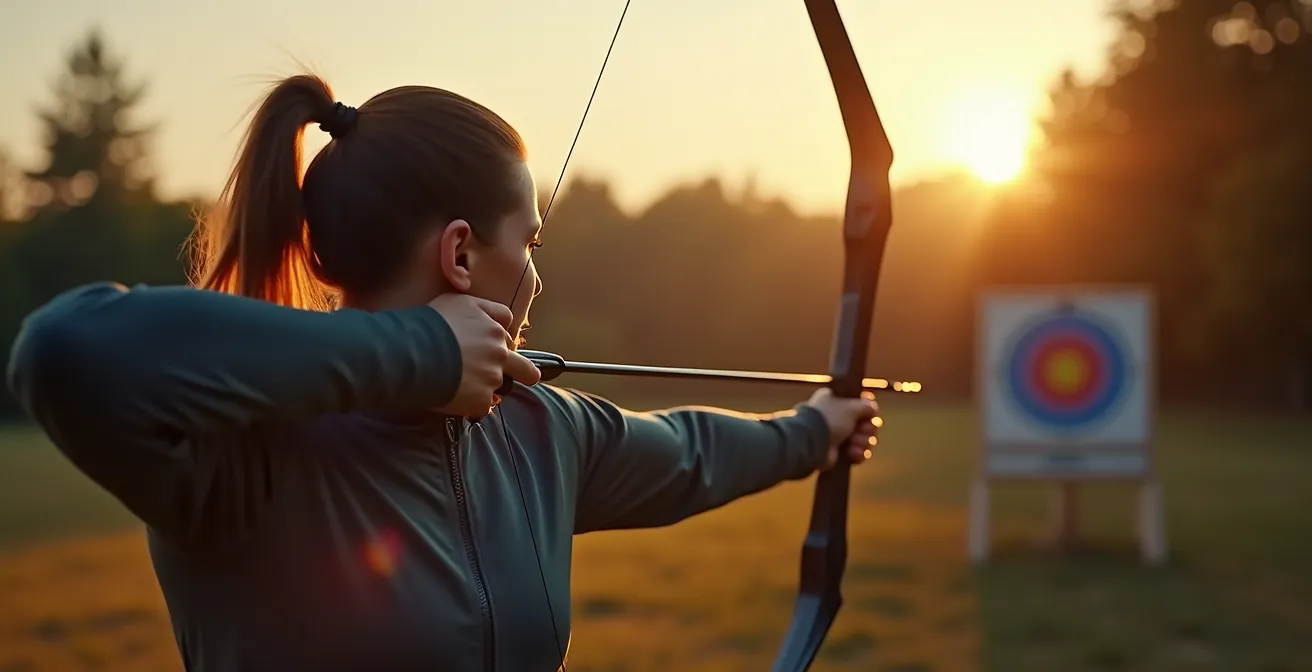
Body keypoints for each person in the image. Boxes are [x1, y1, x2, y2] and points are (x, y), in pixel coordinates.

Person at [6, 74, 880, 671]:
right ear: (461, 252)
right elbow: (64, 351)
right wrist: (419, 356)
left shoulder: (541, 431)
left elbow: (689, 452)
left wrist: (815, 431)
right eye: (529, 241)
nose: (536, 276)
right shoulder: (237, 455)